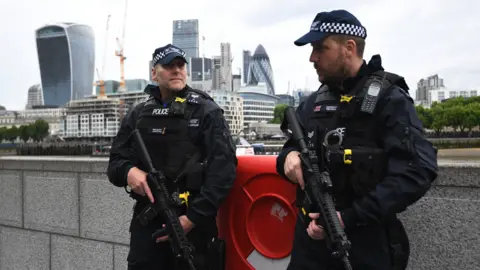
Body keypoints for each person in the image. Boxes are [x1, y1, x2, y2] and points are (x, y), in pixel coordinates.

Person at [276, 9, 438, 270]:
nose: (312, 58)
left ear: (348, 48)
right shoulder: (314, 102)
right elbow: (288, 150)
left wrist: (347, 218)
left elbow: (417, 172)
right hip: (310, 245)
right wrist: (289, 159)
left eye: (320, 48)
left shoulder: (388, 99)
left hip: (363, 244)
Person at [107, 44, 237, 270]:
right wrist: (129, 171)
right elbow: (115, 162)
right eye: (169, 66)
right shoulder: (138, 113)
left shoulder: (206, 111)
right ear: (154, 73)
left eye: (180, 65)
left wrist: (192, 219)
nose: (177, 70)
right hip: (148, 228)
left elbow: (223, 171)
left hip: (193, 227)